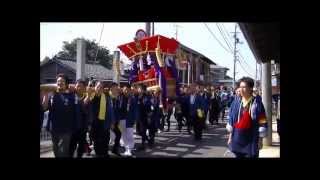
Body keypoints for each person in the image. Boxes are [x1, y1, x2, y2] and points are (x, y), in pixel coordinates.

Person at [226, 77, 268, 158]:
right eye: (240, 87)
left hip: (251, 138)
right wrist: (230, 137)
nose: (241, 89)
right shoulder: (236, 102)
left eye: (244, 87)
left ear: (250, 88)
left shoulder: (257, 104)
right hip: (237, 137)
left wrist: (261, 139)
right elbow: (231, 120)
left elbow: (262, 121)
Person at [42, 74, 76, 157]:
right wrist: (46, 95)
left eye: (62, 81)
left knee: (63, 152)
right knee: (56, 150)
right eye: (58, 81)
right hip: (54, 128)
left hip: (66, 130)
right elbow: (44, 107)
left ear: (66, 83)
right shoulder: (52, 95)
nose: (60, 83)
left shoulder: (71, 96)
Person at [84, 81, 115, 157]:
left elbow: (110, 110)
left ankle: (104, 153)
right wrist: (88, 95)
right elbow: (84, 104)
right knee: (96, 140)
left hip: (104, 122)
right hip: (93, 122)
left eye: (101, 87)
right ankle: (98, 153)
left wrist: (112, 122)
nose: (99, 89)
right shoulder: (90, 96)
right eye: (98, 87)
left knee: (105, 139)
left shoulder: (106, 97)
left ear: (103, 89)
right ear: (95, 87)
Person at [69, 79, 89, 158]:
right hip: (72, 127)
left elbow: (87, 112)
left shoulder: (87, 98)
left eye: (81, 86)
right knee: (71, 148)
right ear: (75, 87)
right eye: (77, 86)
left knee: (81, 148)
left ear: (84, 88)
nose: (79, 88)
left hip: (82, 128)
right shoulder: (70, 96)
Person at [109, 83, 122, 156]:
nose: (116, 89)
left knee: (118, 134)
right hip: (110, 121)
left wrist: (118, 120)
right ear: (111, 88)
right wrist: (112, 122)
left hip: (116, 120)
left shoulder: (117, 97)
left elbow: (117, 109)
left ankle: (114, 149)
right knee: (118, 134)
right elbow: (110, 111)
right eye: (115, 88)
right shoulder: (109, 97)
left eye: (117, 88)